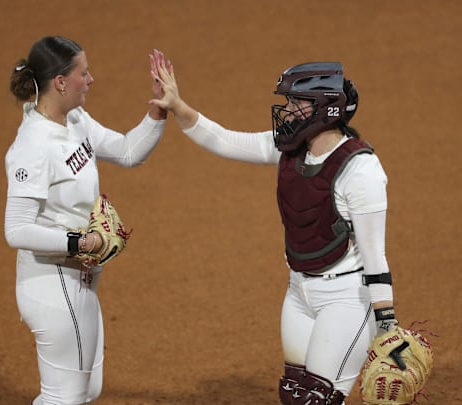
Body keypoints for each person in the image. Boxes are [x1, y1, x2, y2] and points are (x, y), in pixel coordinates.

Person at [149, 50, 398, 404]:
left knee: (316, 399)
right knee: (294, 393)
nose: (288, 112)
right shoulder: (289, 149)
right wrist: (178, 105)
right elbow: (223, 139)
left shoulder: (361, 171)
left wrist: (386, 323)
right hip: (299, 292)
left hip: (346, 300)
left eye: (298, 103)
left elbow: (375, 254)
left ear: (325, 108)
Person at [4, 36, 167, 405]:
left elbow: (127, 151)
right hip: (52, 282)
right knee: (65, 397)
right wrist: (80, 242)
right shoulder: (33, 146)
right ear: (60, 82)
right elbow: (15, 230)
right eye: (83, 72)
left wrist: (158, 110)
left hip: (80, 280)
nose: (91, 79)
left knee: (85, 390)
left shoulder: (74, 120)